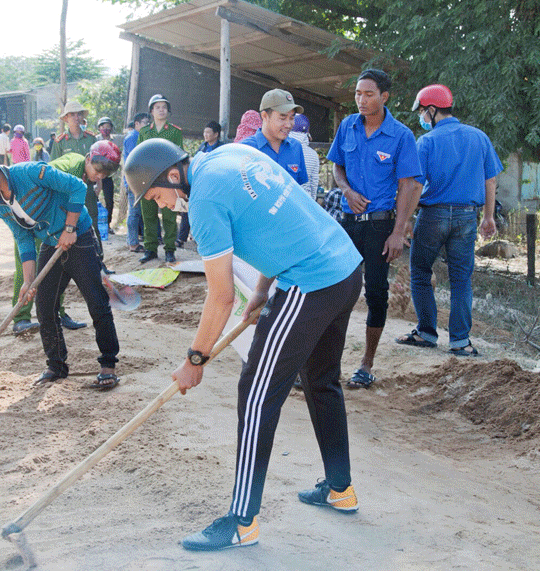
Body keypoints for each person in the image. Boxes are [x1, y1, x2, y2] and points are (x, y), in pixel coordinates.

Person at [125, 138, 363, 551]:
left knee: (255, 395)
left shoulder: (203, 203)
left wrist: (195, 358)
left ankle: (241, 521)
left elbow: (219, 297)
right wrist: (262, 290)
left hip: (310, 281)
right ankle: (340, 489)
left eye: (157, 196)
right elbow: (281, 219)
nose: (160, 206)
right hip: (344, 266)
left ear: (173, 175)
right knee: (322, 382)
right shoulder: (231, 156)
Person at [0, 149, 121, 389]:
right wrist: (28, 280)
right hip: (50, 242)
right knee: (44, 307)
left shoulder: (31, 173)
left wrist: (71, 228)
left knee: (96, 302)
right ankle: (56, 366)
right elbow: (22, 236)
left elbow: (77, 187)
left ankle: (108, 365)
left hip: (80, 237)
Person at [327, 68, 423, 388]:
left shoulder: (401, 135)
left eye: (368, 94)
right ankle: (326, 361)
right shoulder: (347, 126)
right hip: (347, 223)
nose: (361, 100)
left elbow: (408, 186)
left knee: (377, 293)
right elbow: (337, 166)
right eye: (357, 93)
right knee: (333, 287)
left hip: (380, 225)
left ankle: (366, 363)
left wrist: (399, 232)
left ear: (384, 97)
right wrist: (347, 191)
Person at [395, 84, 502, 356]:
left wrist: (406, 220)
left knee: (420, 271)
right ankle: (460, 342)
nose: (420, 116)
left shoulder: (427, 142)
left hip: (433, 215)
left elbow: (416, 186)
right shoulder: (479, 137)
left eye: (421, 111)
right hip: (468, 216)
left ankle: (426, 333)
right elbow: (491, 179)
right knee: (461, 279)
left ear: (432, 110)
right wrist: (488, 217)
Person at [137, 94, 182, 263]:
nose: (161, 110)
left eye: (164, 107)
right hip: (148, 180)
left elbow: (179, 156)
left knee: (170, 216)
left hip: (167, 181)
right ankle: (150, 249)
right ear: (151, 111)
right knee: (148, 216)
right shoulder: (144, 132)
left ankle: (170, 249)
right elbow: (138, 156)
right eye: (157, 107)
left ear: (168, 111)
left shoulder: (175, 132)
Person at [240, 89, 308, 187]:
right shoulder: (245, 148)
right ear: (264, 116)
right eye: (282, 118)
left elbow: (299, 189)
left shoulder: (296, 147)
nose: (288, 125)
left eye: (292, 118)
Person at [179, 120, 227, 248]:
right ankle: (181, 238)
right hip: (197, 182)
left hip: (214, 184)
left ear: (216, 134)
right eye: (204, 132)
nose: (205, 135)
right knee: (187, 208)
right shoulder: (202, 147)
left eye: (208, 132)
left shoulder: (222, 148)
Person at [123, 112, 150, 253]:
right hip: (134, 181)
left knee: (138, 213)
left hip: (141, 180)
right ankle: (133, 243)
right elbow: (136, 159)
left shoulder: (141, 137)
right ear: (137, 124)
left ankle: (135, 241)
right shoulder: (132, 138)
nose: (148, 125)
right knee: (134, 213)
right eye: (145, 122)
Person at [290, 113, 320, 198]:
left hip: (286, 199)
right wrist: (313, 200)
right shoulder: (313, 154)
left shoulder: (282, 148)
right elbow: (314, 183)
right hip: (305, 200)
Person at [96, 117, 116, 230]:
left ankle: (107, 225)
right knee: (94, 199)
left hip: (108, 175)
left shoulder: (114, 141)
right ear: (99, 128)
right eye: (103, 127)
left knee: (110, 201)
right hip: (96, 174)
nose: (106, 129)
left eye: (108, 127)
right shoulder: (95, 140)